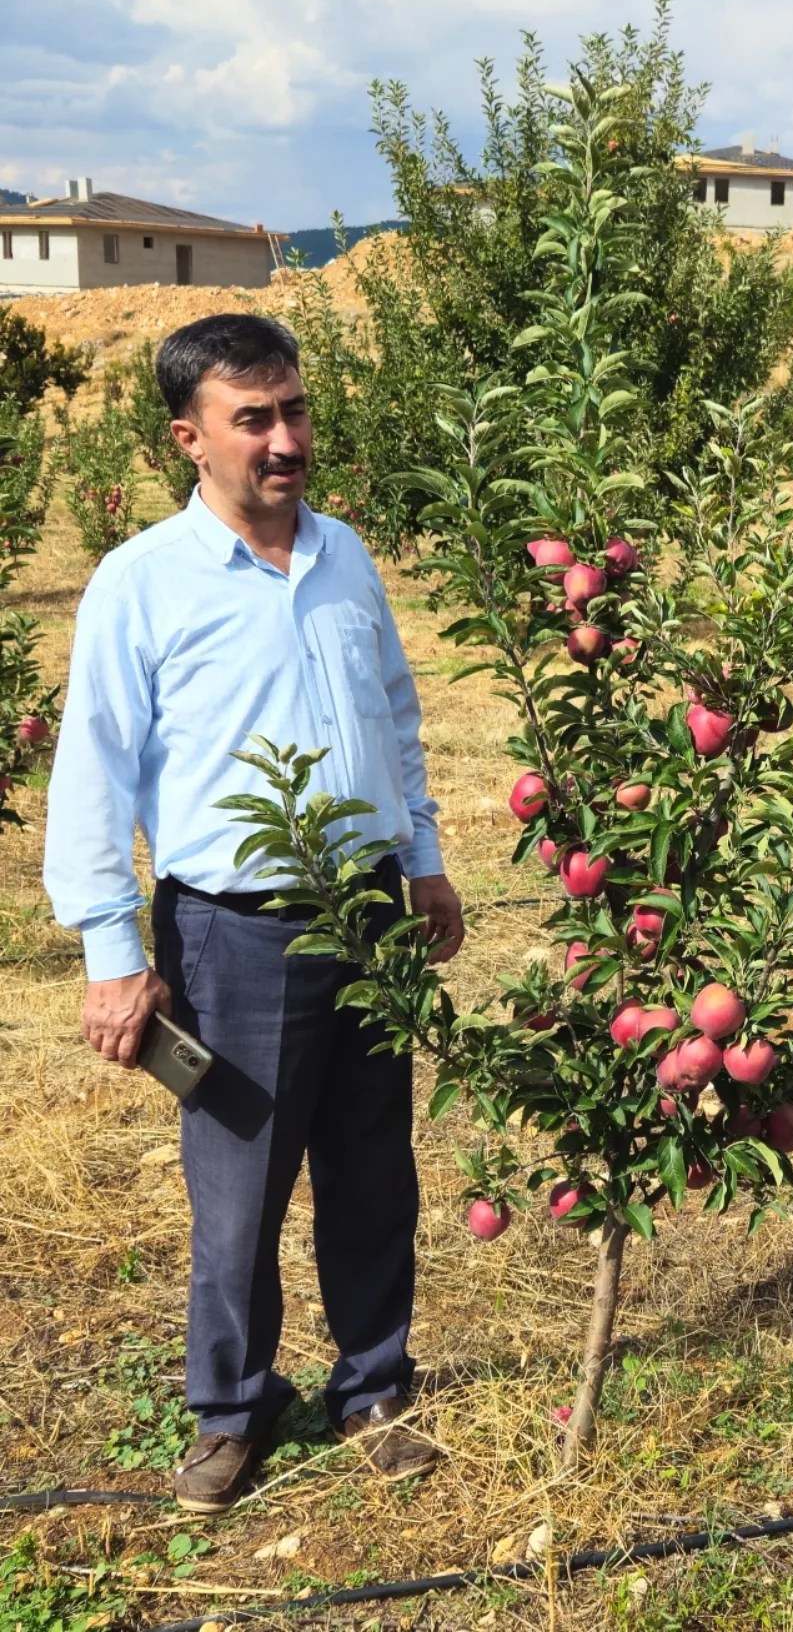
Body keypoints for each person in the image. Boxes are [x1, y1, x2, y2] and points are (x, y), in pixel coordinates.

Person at [44, 314, 465, 1515]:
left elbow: (393, 712)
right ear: (191, 438)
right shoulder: (141, 583)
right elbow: (95, 772)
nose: (285, 440)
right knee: (239, 1188)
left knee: (374, 1165)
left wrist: (421, 858)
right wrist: (114, 955)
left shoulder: (344, 557)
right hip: (234, 933)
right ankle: (230, 1410)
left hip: (370, 914)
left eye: (294, 411)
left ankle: (374, 1385)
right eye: (253, 419)